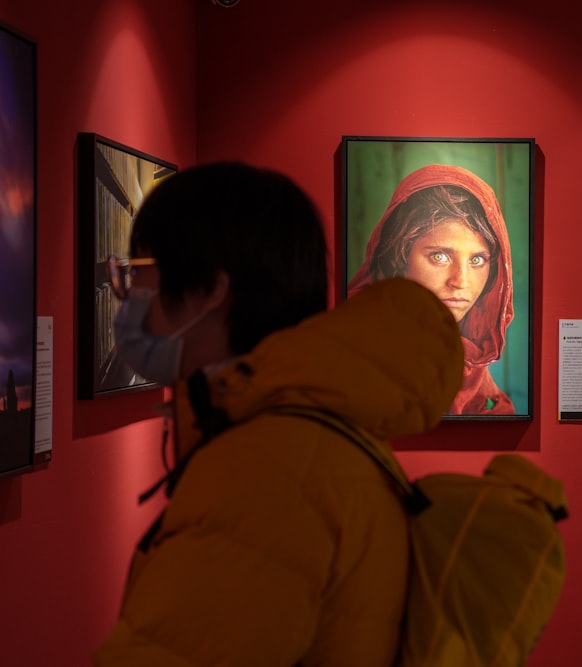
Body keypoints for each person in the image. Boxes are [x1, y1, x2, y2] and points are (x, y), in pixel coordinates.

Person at [93, 162, 464, 666]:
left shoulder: (268, 469)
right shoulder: (306, 434)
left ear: (208, 292)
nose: (128, 299)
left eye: (137, 275)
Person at [348, 163, 516, 416]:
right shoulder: (354, 347)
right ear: (399, 256)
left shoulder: (467, 358)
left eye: (477, 260)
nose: (460, 281)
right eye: (439, 256)